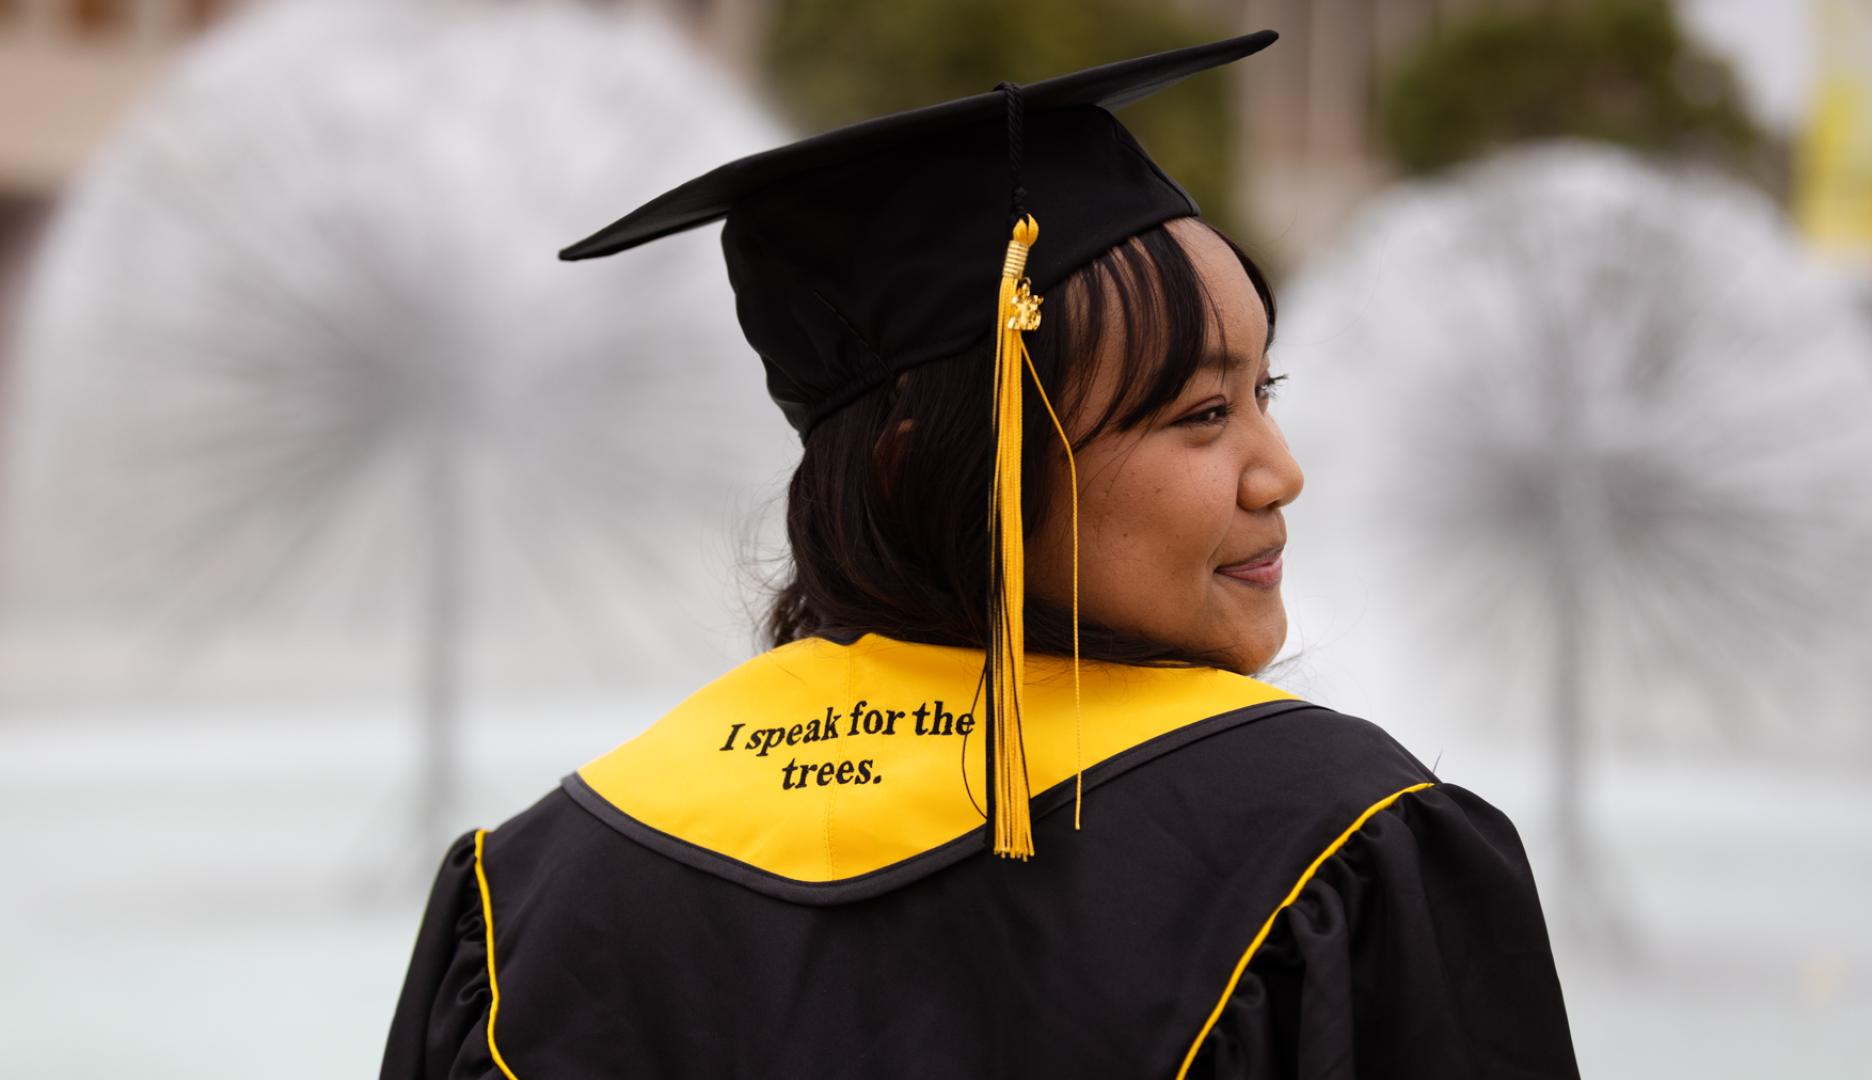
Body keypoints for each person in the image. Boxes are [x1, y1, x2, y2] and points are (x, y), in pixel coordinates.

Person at [378, 31, 1581, 1079]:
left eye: (1262, 393)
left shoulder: (540, 893)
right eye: (1201, 415)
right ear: (931, 465)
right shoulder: (1337, 847)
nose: (1280, 472)